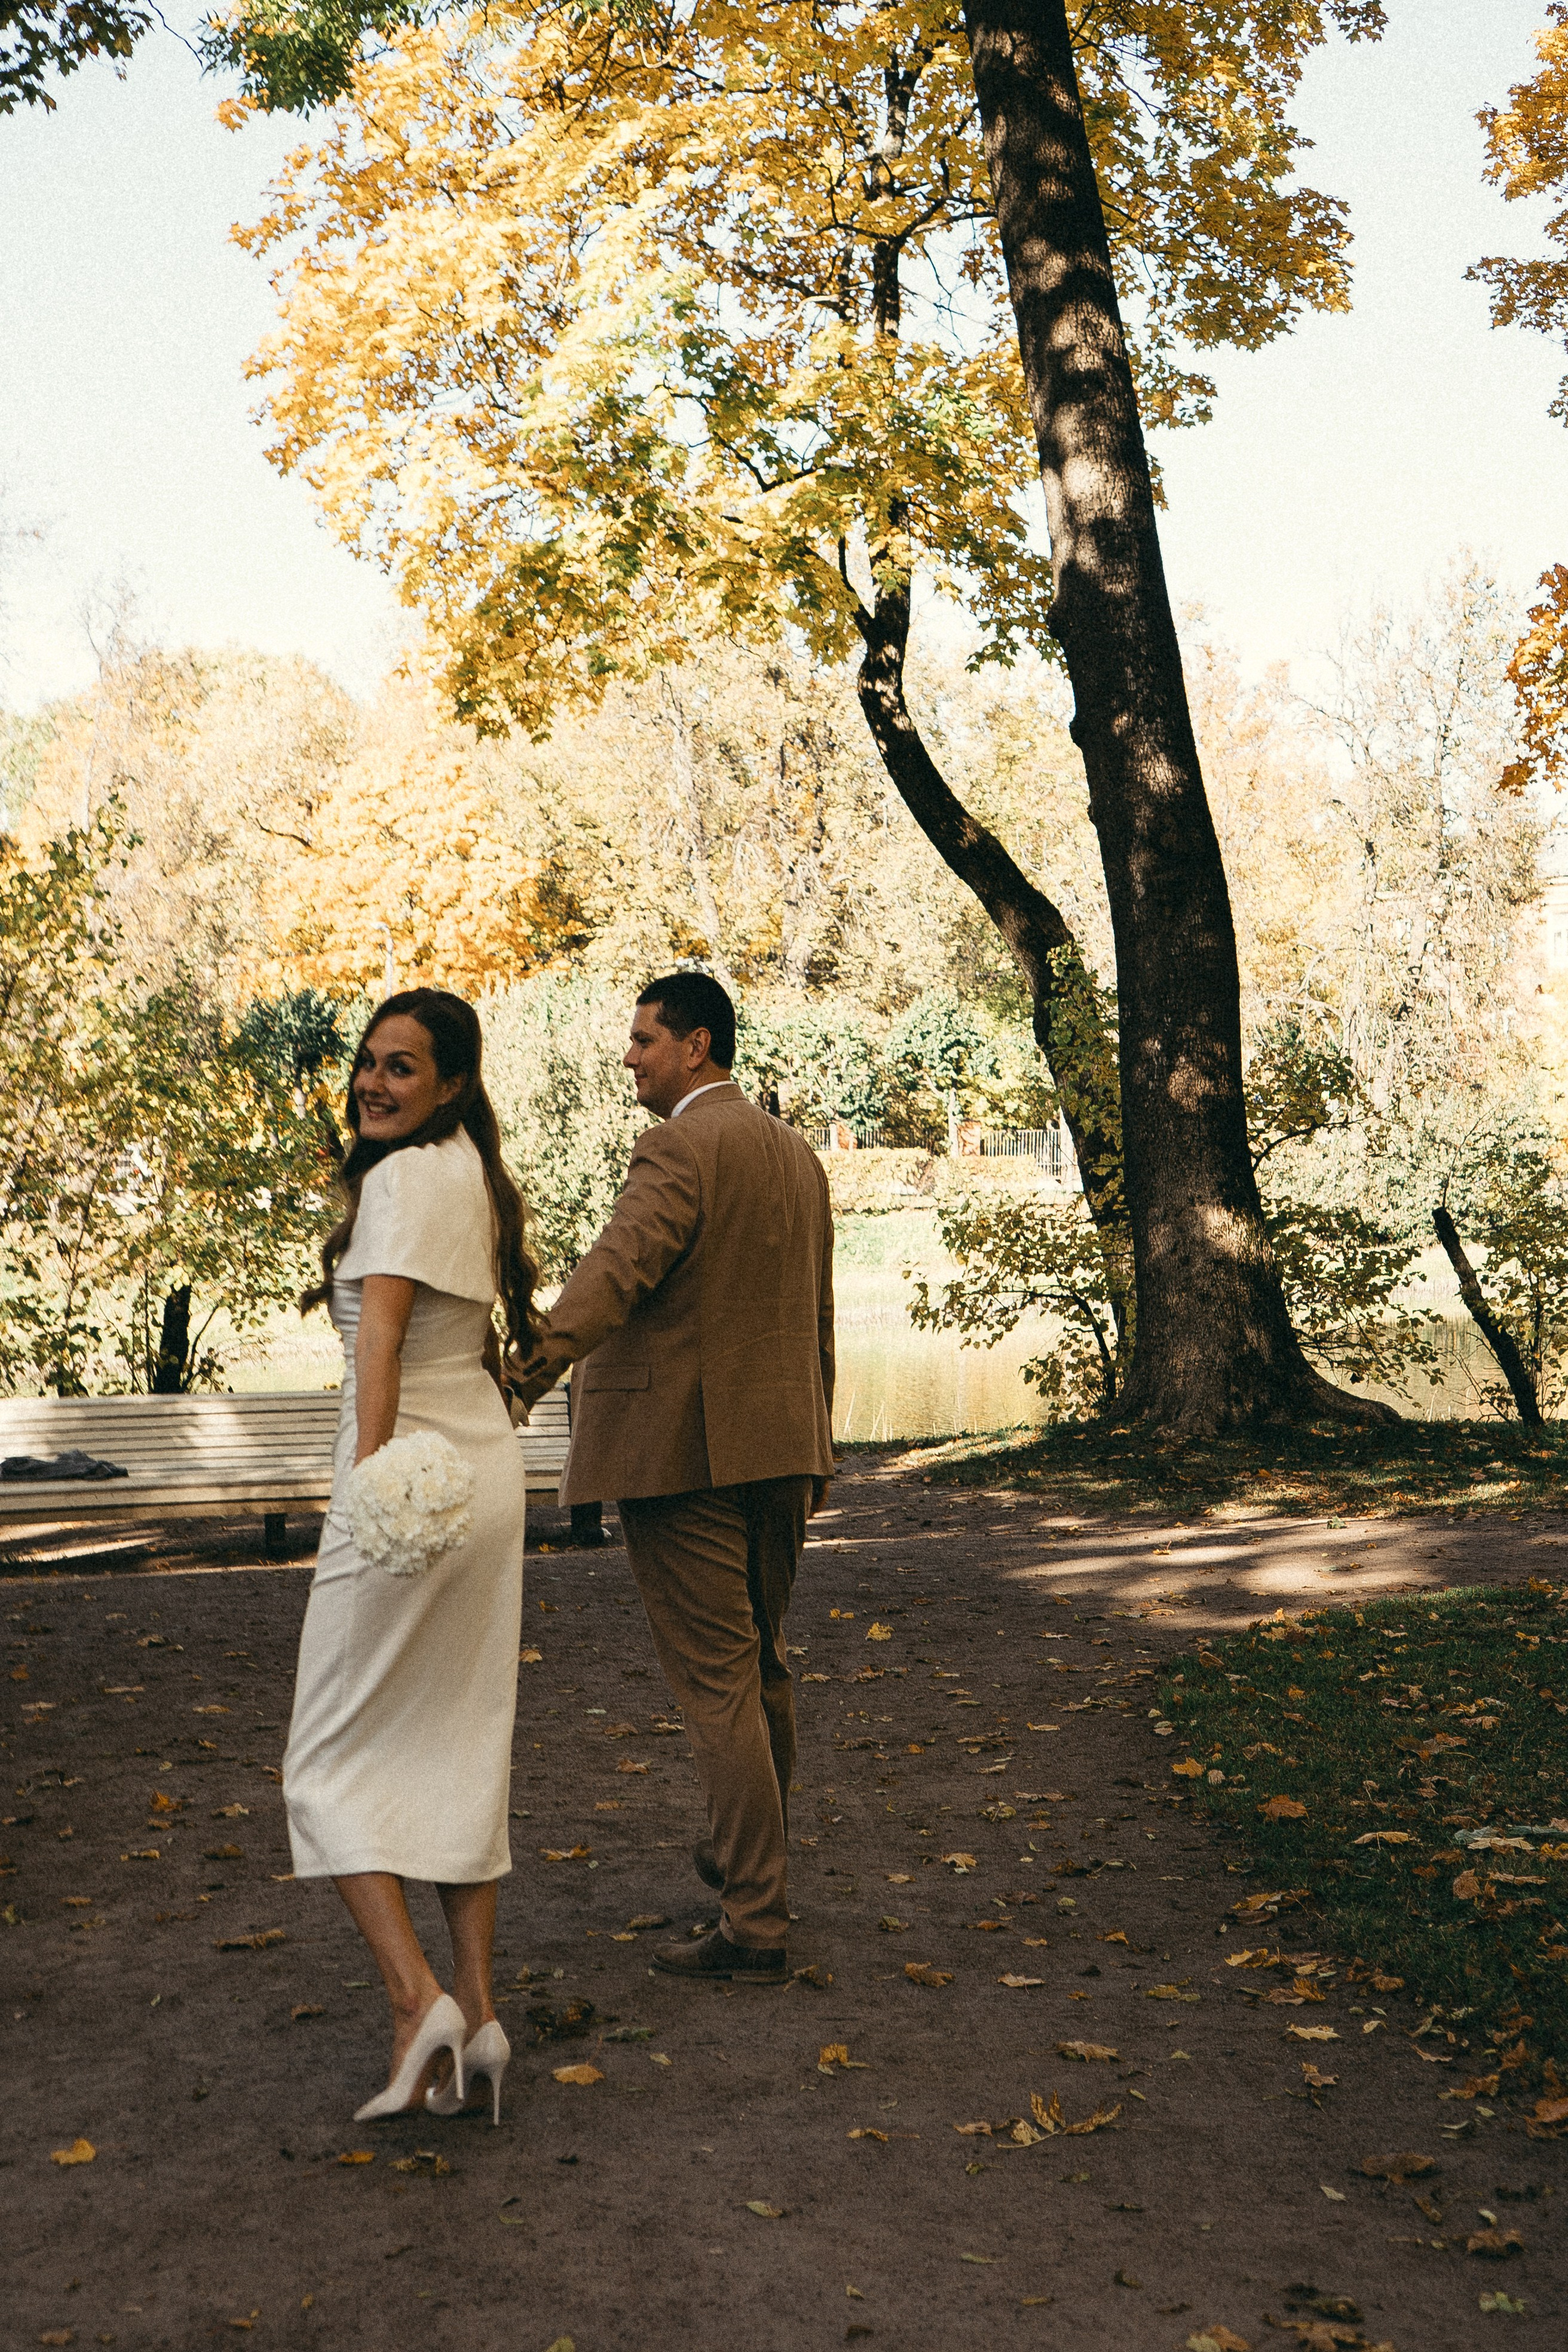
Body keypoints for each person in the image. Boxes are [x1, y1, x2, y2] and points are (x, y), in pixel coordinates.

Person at [513, 971, 834, 1983]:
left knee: (719, 1684)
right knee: (762, 1668)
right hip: (784, 1449)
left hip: (683, 1457)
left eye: (645, 1039)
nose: (630, 1056)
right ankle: (746, 1858)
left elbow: (616, 1271)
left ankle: (755, 1921)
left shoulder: (678, 1148)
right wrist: (820, 1442)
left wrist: (522, 1373)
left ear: (697, 1046)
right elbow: (819, 1316)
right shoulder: (796, 1155)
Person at [283, 989, 538, 2124]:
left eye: (402, 1067)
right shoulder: (469, 1173)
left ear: (451, 1084)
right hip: (480, 1476)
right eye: (368, 1063)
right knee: (457, 1746)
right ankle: (477, 2015)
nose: (374, 1084)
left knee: (323, 1762)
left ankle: (412, 2000)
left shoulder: (396, 1183)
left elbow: (379, 1347)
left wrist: (368, 1492)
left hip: (405, 1490)